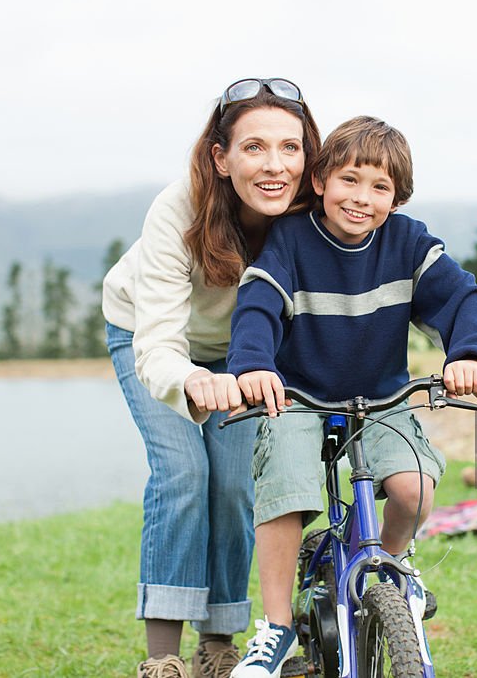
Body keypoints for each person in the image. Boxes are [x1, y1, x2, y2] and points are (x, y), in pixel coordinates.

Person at [224, 116, 477, 678]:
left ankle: (388, 567)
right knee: (287, 484)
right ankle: (275, 628)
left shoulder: (408, 241)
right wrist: (253, 366)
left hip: (383, 397)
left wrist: (469, 354)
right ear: (319, 181)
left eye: (379, 187)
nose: (361, 199)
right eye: (349, 181)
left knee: (413, 489)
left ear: (397, 196)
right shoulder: (290, 240)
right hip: (298, 397)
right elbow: (259, 304)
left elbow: (463, 299)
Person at [101, 78, 322, 678]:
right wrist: (192, 380)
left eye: (290, 147)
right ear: (221, 158)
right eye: (254, 147)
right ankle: (164, 658)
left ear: (309, 154)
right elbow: (158, 342)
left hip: (247, 355)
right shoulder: (181, 207)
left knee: (232, 485)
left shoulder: (313, 212)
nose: (275, 165)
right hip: (152, 338)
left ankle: (219, 646)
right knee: (184, 474)